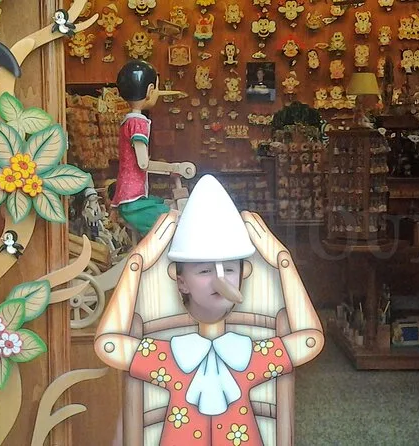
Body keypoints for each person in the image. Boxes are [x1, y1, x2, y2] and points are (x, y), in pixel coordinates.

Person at [95, 175, 324, 445]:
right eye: (204, 271)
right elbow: (109, 345)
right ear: (181, 282)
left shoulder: (248, 355)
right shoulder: (171, 356)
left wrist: (283, 262)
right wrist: (137, 264)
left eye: (229, 269)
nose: (220, 280)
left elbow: (309, 340)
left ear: (242, 276)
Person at [112, 60, 187, 236]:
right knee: (174, 222)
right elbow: (143, 163)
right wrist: (173, 168)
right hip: (133, 202)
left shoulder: (127, 121)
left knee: (163, 205)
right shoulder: (137, 122)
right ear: (150, 91)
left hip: (128, 197)